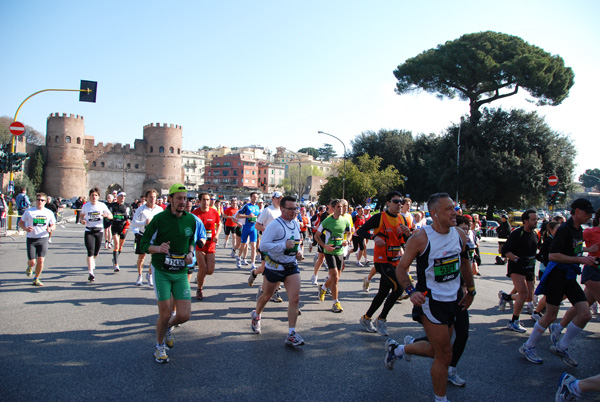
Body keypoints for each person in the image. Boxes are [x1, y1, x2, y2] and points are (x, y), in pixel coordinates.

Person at [384, 193, 475, 402]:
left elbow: (464, 264)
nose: (455, 212)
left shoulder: (460, 235)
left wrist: (471, 290)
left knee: (437, 350)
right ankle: (440, 399)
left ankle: (398, 349)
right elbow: (401, 269)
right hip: (431, 303)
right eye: (449, 209)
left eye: (454, 208)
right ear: (434, 214)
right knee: (445, 354)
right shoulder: (421, 238)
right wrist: (411, 291)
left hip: (454, 300)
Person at [519, 198, 597, 366]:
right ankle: (528, 346)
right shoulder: (564, 229)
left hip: (569, 276)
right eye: (587, 212)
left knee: (585, 314)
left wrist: (586, 250)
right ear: (577, 212)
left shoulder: (578, 230)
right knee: (550, 316)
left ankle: (561, 346)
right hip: (557, 276)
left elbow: (572, 247)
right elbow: (553, 256)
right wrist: (580, 259)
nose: (590, 215)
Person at [140, 183, 199, 364]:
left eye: (185, 198)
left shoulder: (191, 219)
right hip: (162, 272)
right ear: (170, 199)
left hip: (180, 272)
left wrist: (190, 253)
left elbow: (190, 240)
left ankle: (166, 328)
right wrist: (158, 248)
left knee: (184, 315)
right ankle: (159, 347)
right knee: (165, 314)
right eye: (179, 198)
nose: (183, 202)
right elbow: (142, 245)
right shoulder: (159, 219)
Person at [250, 196, 305, 346]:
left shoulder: (295, 224)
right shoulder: (274, 225)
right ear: (282, 209)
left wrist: (298, 252)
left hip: (291, 266)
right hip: (275, 266)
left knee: (295, 299)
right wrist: (283, 246)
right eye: (291, 209)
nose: (294, 212)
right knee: (267, 296)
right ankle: (256, 315)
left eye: (296, 208)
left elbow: (296, 242)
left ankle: (291, 333)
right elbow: (263, 247)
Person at [357, 191, 409, 336]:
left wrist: (408, 234)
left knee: (383, 292)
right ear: (388, 203)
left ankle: (366, 318)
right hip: (381, 260)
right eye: (396, 201)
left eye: (401, 201)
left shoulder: (402, 220)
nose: (399, 204)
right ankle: (382, 319)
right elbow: (360, 231)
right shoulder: (379, 217)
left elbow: (405, 242)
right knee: (399, 288)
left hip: (395, 261)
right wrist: (374, 236)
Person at [497, 210, 539, 332]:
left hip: (530, 267)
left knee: (529, 297)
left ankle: (507, 297)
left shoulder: (535, 234)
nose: (536, 221)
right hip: (517, 267)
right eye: (533, 219)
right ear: (525, 221)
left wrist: (540, 256)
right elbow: (505, 251)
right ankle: (514, 321)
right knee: (524, 293)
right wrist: (517, 259)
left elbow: (536, 249)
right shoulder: (517, 234)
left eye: (537, 219)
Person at [315, 199, 351, 313]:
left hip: (340, 252)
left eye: (342, 207)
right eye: (338, 207)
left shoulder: (345, 221)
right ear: (333, 208)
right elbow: (317, 236)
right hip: (329, 252)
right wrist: (325, 246)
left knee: (336, 278)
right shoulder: (326, 221)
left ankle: (323, 288)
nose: (341, 209)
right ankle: (336, 303)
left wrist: (347, 241)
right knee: (334, 276)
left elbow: (349, 233)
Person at [19, 193, 56, 286]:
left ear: (45, 202)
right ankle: (30, 267)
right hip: (31, 239)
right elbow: (21, 223)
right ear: (36, 201)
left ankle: (36, 278)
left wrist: (50, 229)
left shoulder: (49, 212)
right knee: (32, 261)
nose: (40, 202)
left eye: (42, 200)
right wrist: (26, 229)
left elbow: (53, 225)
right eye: (38, 200)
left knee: (41, 261)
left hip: (43, 238)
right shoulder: (29, 212)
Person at [130, 189, 163, 286]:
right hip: (143, 235)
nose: (152, 199)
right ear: (146, 198)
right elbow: (134, 223)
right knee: (142, 257)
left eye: (154, 197)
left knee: (154, 257)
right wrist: (144, 222)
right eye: (150, 197)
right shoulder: (141, 209)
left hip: (154, 237)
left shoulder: (159, 209)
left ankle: (149, 274)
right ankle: (139, 276)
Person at [80, 187, 113, 282]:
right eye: (92, 195)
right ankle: (91, 272)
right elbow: (82, 215)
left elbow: (110, 216)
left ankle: (92, 261)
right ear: (89, 196)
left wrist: (106, 216)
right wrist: (82, 220)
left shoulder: (102, 205)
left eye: (96, 195)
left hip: (99, 231)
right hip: (89, 231)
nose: (94, 197)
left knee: (96, 252)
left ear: (98, 196)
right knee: (90, 251)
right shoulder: (86, 206)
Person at [192, 193, 221, 300]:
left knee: (210, 270)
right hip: (199, 245)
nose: (206, 202)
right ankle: (199, 289)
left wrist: (217, 235)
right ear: (199, 201)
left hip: (211, 244)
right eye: (204, 199)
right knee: (203, 268)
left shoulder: (214, 212)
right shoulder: (195, 213)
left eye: (208, 199)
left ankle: (199, 276)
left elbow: (219, 224)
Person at [108, 192, 132, 272]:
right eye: (121, 196)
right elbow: (109, 215)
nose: (123, 197)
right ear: (117, 197)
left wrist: (128, 217)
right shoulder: (112, 205)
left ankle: (115, 257)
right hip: (115, 226)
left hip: (124, 227)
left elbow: (131, 216)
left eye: (124, 196)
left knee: (120, 247)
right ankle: (116, 264)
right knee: (116, 245)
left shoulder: (127, 206)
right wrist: (111, 217)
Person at [235, 192, 260, 268]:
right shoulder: (246, 206)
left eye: (256, 197)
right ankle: (239, 257)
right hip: (246, 228)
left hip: (254, 228)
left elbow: (258, 217)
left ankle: (253, 264)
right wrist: (247, 216)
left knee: (253, 246)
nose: (255, 198)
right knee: (243, 246)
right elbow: (238, 215)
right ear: (250, 197)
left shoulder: (257, 207)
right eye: (253, 197)